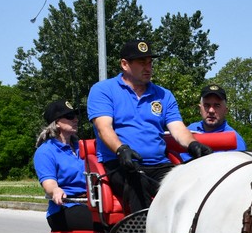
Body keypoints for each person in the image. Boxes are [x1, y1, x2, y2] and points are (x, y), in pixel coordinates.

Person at [86, 38, 212, 213]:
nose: (148, 67)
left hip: (159, 164)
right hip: (122, 164)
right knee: (137, 182)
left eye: (150, 62)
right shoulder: (103, 90)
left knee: (189, 185)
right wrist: (121, 149)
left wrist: (193, 144)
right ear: (124, 64)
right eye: (141, 62)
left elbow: (177, 128)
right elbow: (103, 128)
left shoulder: (163, 95)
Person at [34, 99, 94, 232]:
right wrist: (55, 190)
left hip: (91, 203)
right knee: (108, 222)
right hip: (64, 209)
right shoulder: (46, 151)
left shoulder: (82, 146)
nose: (76, 119)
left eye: (76, 115)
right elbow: (49, 183)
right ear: (56, 123)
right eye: (70, 116)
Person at [179, 83, 247, 162]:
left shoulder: (236, 141)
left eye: (217, 106)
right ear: (200, 109)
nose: (211, 111)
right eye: (207, 105)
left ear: (226, 110)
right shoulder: (187, 133)